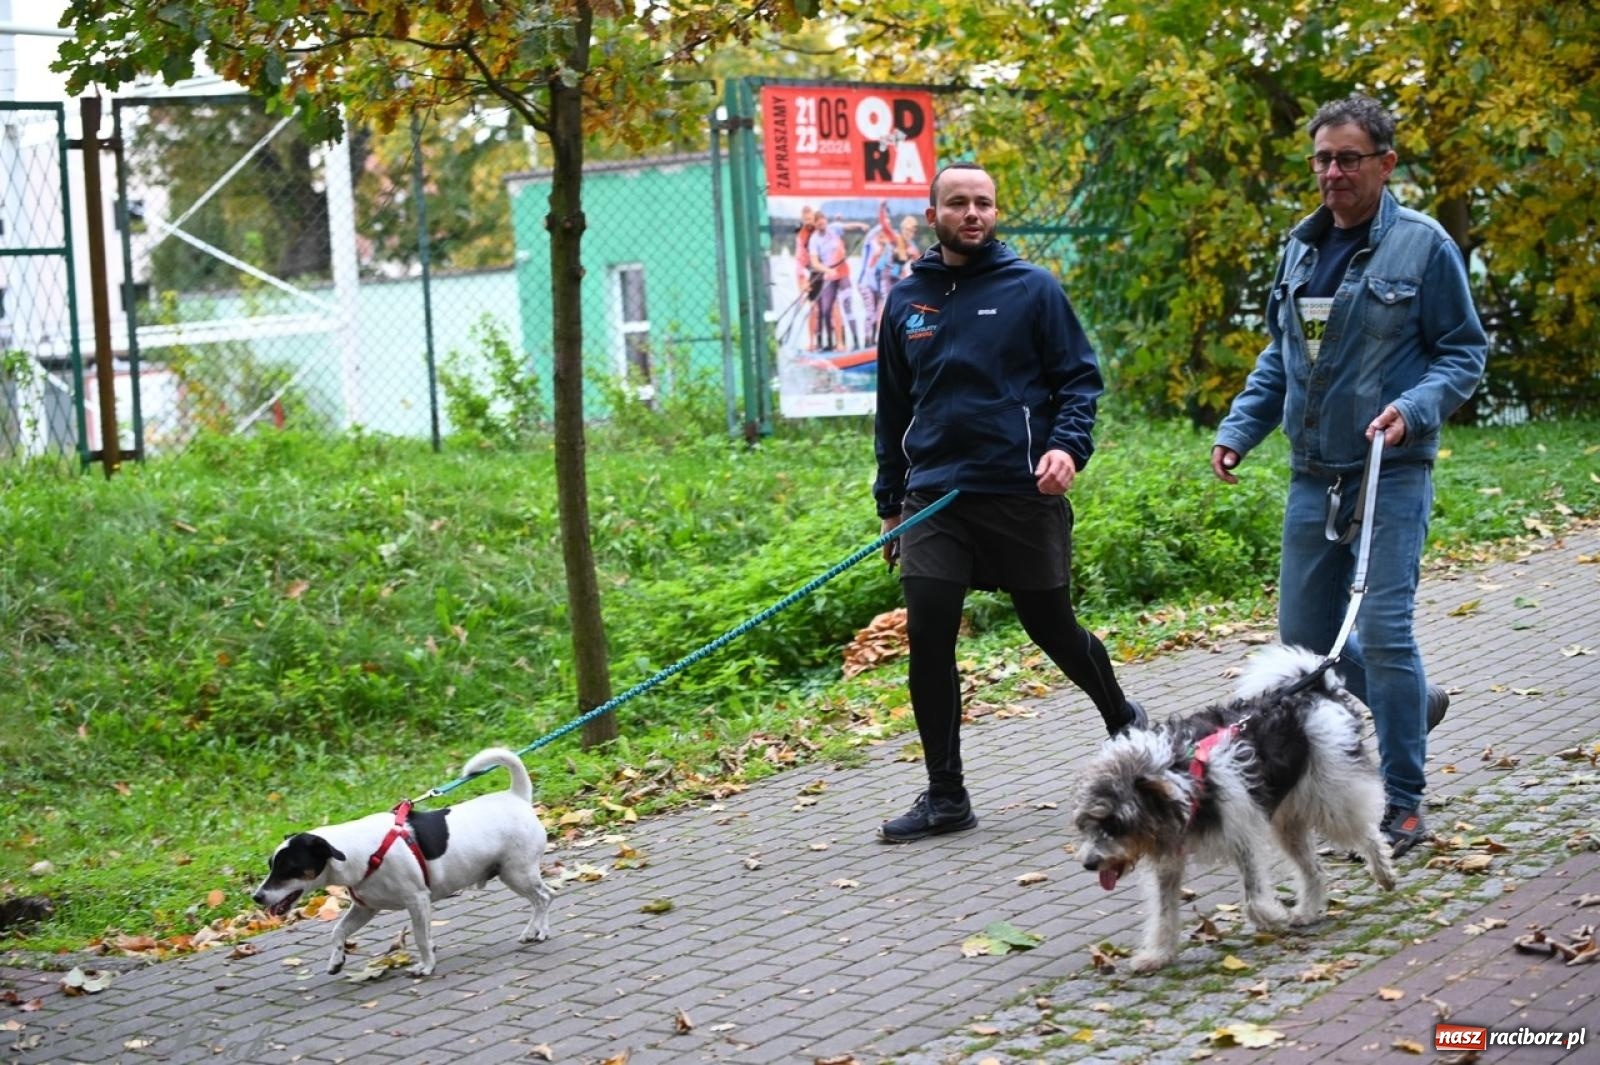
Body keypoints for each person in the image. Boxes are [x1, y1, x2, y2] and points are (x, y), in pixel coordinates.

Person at [1209, 93, 1487, 858]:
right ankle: (1411, 704)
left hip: (1390, 468)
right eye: (1323, 159)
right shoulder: (1300, 249)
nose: (1333, 172)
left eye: (1349, 158)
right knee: (1304, 636)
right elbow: (1283, 356)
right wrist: (1240, 428)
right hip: (1312, 472)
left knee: (1385, 632)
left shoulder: (1423, 248)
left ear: (1385, 164)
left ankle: (1402, 801)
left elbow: (1465, 353)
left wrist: (1414, 406)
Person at [872, 161, 1145, 844]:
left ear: (996, 212)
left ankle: (1128, 725)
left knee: (1052, 628)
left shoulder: (1032, 290)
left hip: (1020, 492)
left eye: (984, 203)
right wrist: (890, 502)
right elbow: (891, 409)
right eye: (958, 203)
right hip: (935, 498)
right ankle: (946, 795)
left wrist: (1066, 449)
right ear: (932, 214)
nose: (972, 213)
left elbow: (1079, 383)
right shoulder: (907, 300)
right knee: (929, 635)